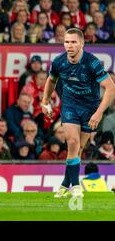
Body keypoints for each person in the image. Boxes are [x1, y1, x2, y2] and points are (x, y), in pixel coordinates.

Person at [42, 28, 115, 199]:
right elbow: (51, 80)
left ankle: (64, 185)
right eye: (67, 42)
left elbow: (110, 88)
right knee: (73, 142)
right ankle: (75, 186)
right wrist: (45, 100)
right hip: (70, 106)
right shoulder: (59, 62)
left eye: (74, 42)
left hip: (90, 108)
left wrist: (98, 113)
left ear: (82, 44)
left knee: (79, 148)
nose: (70, 45)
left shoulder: (92, 62)